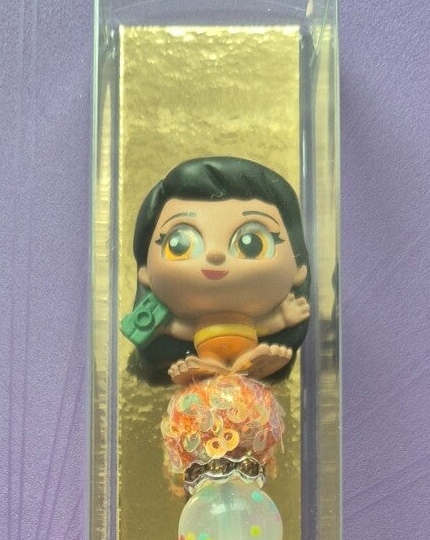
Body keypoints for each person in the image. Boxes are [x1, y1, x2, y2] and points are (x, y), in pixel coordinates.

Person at [122, 156, 310, 385]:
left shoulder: (255, 321)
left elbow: (262, 326)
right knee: (210, 363)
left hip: (249, 362)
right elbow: (186, 330)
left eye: (252, 243)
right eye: (179, 244)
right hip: (205, 363)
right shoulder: (185, 322)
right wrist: (164, 327)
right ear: (145, 272)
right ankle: (208, 367)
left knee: (245, 361)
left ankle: (247, 363)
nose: (215, 254)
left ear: (298, 269)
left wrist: (283, 319)